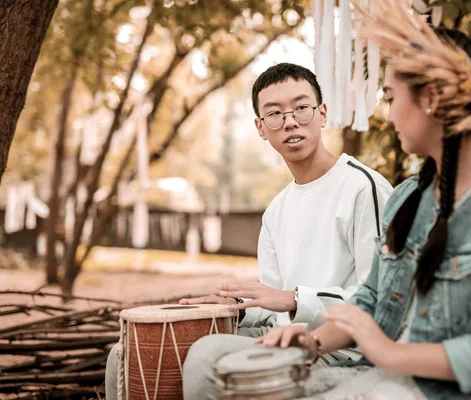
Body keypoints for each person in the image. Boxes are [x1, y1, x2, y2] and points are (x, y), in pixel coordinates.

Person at [181, 4, 471, 400]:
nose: (390, 112)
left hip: (455, 390)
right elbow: (372, 298)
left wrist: (391, 354)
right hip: (394, 379)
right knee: (210, 365)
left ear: (430, 99)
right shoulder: (408, 198)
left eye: (393, 96)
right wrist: (311, 343)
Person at [103, 63, 392, 399]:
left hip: (339, 353)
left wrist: (296, 299)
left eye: (301, 107)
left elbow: (379, 297)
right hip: (281, 340)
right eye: (275, 114)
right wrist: (236, 306)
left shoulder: (362, 188)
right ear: (260, 128)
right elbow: (273, 304)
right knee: (120, 354)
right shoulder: (276, 211)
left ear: (322, 113)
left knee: (205, 359)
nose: (290, 121)